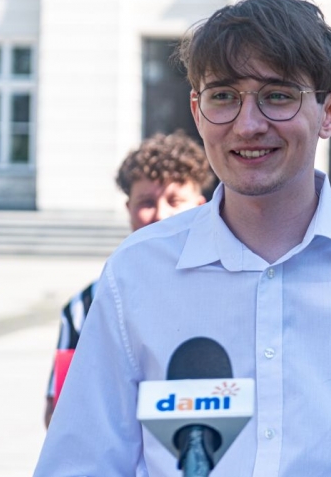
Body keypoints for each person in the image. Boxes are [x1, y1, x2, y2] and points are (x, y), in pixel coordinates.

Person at [35, 0, 331, 475]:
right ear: (197, 111)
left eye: (278, 95)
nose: (248, 125)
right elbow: (79, 464)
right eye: (224, 96)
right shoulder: (138, 272)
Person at [44, 131, 213, 427]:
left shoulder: (227, 292)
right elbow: (60, 414)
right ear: (128, 209)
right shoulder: (86, 306)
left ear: (201, 207)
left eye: (174, 200)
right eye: (146, 202)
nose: (161, 215)